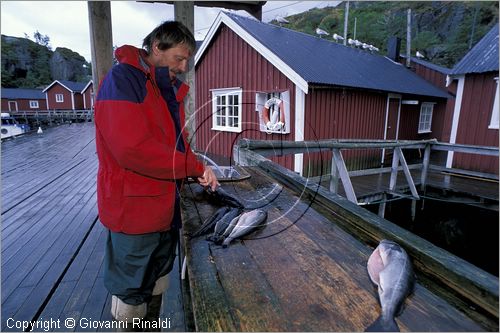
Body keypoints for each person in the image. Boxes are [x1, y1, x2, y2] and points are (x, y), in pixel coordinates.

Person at [94, 21, 218, 330]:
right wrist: (194, 168)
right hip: (134, 211)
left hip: (164, 210)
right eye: (179, 57)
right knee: (131, 293)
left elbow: (176, 143)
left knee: (157, 284)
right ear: (157, 47)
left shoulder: (164, 87)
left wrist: (198, 165)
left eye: (188, 59)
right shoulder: (123, 80)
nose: (184, 65)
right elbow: (132, 149)